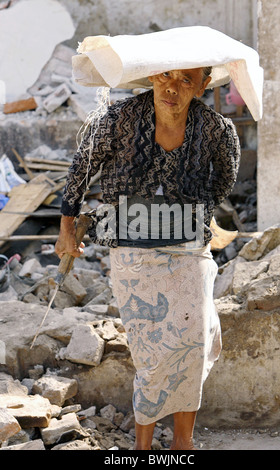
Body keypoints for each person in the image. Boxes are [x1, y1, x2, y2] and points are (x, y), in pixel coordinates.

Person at [55, 66, 241, 450]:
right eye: (165, 77)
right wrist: (66, 228)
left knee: (192, 344)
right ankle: (143, 448)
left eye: (186, 80)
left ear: (204, 85)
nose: (172, 88)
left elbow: (225, 177)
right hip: (132, 253)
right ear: (153, 76)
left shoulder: (217, 130)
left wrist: (197, 206)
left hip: (189, 249)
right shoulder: (117, 119)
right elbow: (81, 169)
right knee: (151, 351)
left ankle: (182, 446)